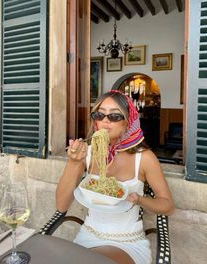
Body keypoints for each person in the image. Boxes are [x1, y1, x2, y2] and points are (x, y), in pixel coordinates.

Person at [56, 90, 174, 264]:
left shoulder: (144, 158)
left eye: (115, 116)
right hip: (89, 235)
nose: (105, 120)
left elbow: (167, 206)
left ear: (128, 122)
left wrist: (139, 199)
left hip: (127, 241)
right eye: (99, 114)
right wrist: (74, 164)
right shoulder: (87, 153)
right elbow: (61, 205)